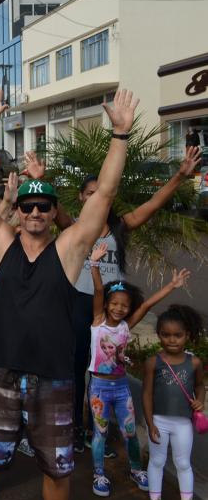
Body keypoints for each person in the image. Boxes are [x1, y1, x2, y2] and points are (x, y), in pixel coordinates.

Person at [0, 87, 138, 500]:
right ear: (18, 211)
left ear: (54, 210)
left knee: (57, 470)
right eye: (28, 205)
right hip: (2, 374)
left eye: (44, 205)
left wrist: (120, 134)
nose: (36, 212)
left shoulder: (69, 249)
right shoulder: (0, 245)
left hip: (56, 379)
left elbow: (104, 196)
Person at [48, 145, 202, 452]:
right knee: (79, 366)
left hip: (112, 312)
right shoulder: (76, 228)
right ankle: (77, 429)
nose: (94, 197)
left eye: (99, 192)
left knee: (104, 373)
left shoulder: (122, 225)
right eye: (88, 193)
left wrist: (180, 176)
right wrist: (43, 180)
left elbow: (155, 203)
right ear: (81, 197)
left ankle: (97, 430)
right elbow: (57, 212)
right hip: (80, 304)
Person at [86, 242, 190, 498]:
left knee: (130, 432)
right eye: (115, 303)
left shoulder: (125, 326)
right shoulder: (98, 322)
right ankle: (98, 473)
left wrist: (171, 286)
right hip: (99, 387)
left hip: (121, 387)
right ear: (107, 304)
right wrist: (95, 264)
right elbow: (99, 290)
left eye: (125, 305)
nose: (120, 308)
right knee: (100, 433)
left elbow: (146, 305)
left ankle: (135, 469)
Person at [142, 305, 205, 500]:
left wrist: (200, 400)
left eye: (177, 335)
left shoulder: (194, 362)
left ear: (187, 335)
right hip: (159, 422)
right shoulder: (153, 362)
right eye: (166, 335)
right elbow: (147, 394)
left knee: (183, 464)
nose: (172, 340)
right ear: (159, 334)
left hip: (183, 424)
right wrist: (149, 424)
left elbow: (200, 386)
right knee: (157, 461)